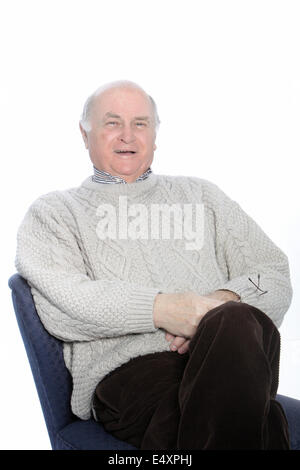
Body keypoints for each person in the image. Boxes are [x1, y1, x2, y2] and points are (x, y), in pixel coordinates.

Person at [15, 80, 293, 449]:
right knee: (256, 417)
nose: (127, 135)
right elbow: (65, 307)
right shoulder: (54, 213)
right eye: (112, 123)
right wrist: (165, 310)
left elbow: (273, 274)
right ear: (84, 134)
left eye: (141, 124)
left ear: (155, 136)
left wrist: (209, 311)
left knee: (237, 318)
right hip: (134, 376)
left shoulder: (203, 196)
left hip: (230, 357)